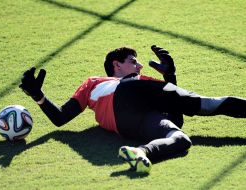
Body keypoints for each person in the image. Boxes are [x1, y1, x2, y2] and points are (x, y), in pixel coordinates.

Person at [19, 45, 246, 173]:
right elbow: (60, 117)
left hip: (130, 124)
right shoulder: (97, 81)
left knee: (181, 138)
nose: (139, 65)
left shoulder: (134, 82)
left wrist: (170, 76)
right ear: (116, 65)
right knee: (207, 105)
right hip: (130, 95)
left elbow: (176, 118)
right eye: (132, 60)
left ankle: (141, 152)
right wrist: (38, 95)